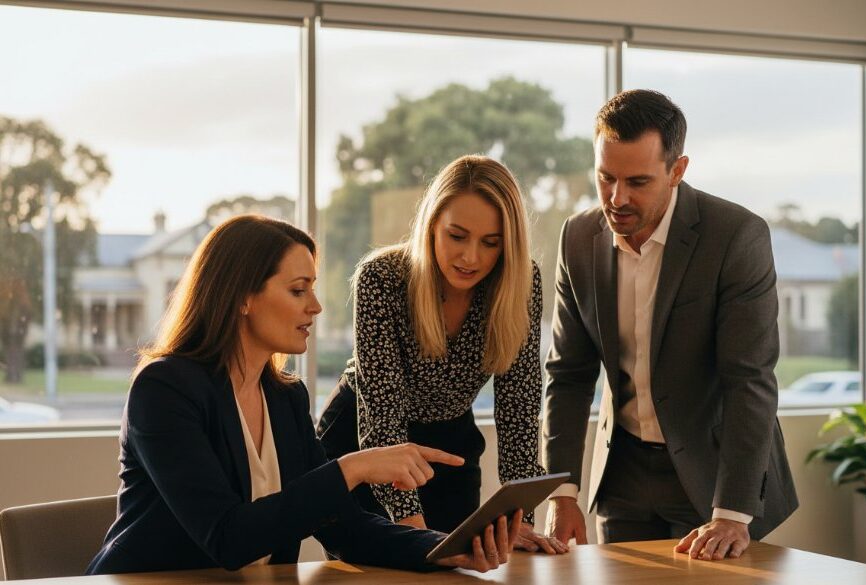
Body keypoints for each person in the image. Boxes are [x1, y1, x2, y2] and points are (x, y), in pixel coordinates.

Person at [87, 214, 523, 575]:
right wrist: (350, 468)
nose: (315, 306)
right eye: (298, 290)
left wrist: (446, 548)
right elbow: (227, 537)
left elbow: (345, 528)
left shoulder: (284, 397)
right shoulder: (165, 389)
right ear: (242, 298)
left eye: (312, 288)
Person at [542, 89, 798, 561]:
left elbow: (749, 381)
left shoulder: (736, 237)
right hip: (622, 475)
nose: (616, 199)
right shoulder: (578, 238)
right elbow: (568, 375)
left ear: (677, 171)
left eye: (638, 181)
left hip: (713, 477)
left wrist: (733, 512)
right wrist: (561, 492)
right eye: (605, 178)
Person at [317, 155, 567, 555]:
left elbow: (518, 408)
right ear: (432, 224)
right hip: (366, 443)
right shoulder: (381, 279)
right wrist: (412, 530)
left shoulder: (523, 283)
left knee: (464, 567)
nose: (471, 257)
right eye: (457, 236)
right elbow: (381, 416)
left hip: (450, 445)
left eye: (490, 243)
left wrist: (518, 518)